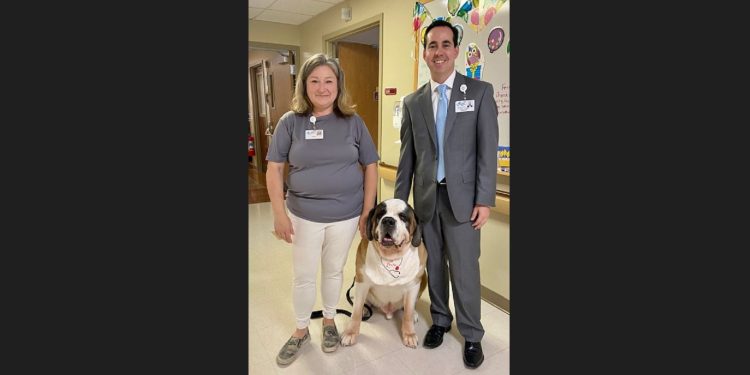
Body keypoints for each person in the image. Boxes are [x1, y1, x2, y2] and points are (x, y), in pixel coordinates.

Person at [394, 20, 498, 369]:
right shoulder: (413, 102)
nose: (438, 51)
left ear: (455, 50)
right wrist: (398, 208)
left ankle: (472, 334)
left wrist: (484, 199)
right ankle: (440, 320)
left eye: (445, 44)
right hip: (426, 201)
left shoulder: (479, 92)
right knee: (434, 264)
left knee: (465, 269)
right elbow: (407, 158)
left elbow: (487, 151)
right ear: (424, 52)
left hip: (464, 202)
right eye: (432, 45)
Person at [265, 53, 379, 366]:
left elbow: (370, 165)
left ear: (338, 85)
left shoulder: (353, 122)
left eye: (329, 80)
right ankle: (301, 330)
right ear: (304, 85)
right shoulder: (290, 122)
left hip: (346, 215)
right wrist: (278, 213)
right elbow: (274, 169)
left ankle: (329, 322)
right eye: (314, 80)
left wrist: (367, 211)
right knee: (303, 275)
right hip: (303, 214)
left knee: (333, 270)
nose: (322, 87)